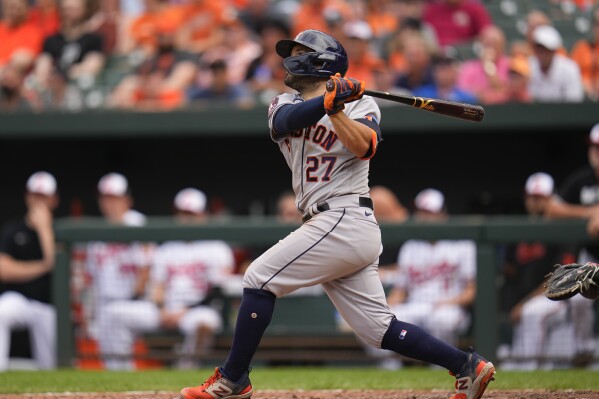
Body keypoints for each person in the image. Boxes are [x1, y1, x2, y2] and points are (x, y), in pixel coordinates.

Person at [175, 29, 495, 399]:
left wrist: (339, 108)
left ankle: (233, 380)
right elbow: (285, 124)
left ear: (320, 61)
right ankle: (466, 366)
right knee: (378, 330)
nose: (288, 60)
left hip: (344, 216)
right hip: (329, 225)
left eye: (298, 52)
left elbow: (364, 148)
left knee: (259, 278)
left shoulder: (364, 106)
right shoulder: (281, 102)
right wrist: (329, 102)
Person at [96, 188, 237, 369]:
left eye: (191, 214)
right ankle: (120, 376)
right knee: (113, 313)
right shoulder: (167, 248)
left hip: (198, 310)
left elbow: (217, 291)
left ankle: (184, 370)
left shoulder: (217, 248)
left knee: (204, 323)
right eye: (182, 213)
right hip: (163, 310)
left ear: (203, 215)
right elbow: (157, 286)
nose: (186, 219)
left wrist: (183, 311)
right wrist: (162, 309)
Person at [499, 173, 578, 370]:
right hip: (524, 301)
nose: (535, 203)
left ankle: (530, 370)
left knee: (533, 312)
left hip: (558, 298)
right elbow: (508, 270)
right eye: (532, 197)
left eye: (541, 198)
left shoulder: (563, 230)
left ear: (552, 199)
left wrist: (524, 303)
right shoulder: (519, 232)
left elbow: (561, 277)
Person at [387, 189, 477, 348]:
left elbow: (472, 290)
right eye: (421, 212)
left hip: (450, 306)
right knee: (382, 322)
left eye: (429, 213)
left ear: (443, 215)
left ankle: (443, 368)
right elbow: (400, 291)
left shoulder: (462, 244)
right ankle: (389, 369)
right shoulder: (410, 246)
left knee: (441, 320)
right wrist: (384, 310)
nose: (424, 218)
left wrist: (449, 302)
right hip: (416, 306)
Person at [83, 172, 154, 369]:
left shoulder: (137, 223)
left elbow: (146, 270)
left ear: (127, 199)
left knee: (115, 321)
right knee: (110, 362)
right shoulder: (97, 234)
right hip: (104, 304)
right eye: (105, 198)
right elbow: (91, 278)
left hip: (136, 302)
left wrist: (132, 298)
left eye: (114, 198)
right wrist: (89, 313)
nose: (110, 203)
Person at [545, 124, 599, 364]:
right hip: (592, 259)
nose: (596, 153)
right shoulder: (582, 179)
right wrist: (590, 212)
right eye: (594, 147)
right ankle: (585, 353)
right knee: (579, 298)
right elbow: (552, 209)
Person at [0, 171, 58, 371]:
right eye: (35, 195)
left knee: (50, 367)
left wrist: (44, 229)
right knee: (1, 311)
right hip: (19, 299)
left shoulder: (60, 230)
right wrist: (42, 266)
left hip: (49, 304)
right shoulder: (13, 229)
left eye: (43, 196)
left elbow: (56, 263)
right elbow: (4, 270)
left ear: (54, 199)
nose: (38, 201)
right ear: (27, 196)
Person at [528, 25, 584, 103]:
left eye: (547, 50)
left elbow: (574, 103)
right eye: (539, 48)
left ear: (554, 51)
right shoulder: (528, 66)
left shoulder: (569, 69)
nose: (542, 53)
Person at [570, 7, 599, 101]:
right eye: (597, 24)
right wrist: (584, 85)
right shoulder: (581, 48)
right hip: (582, 96)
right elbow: (570, 73)